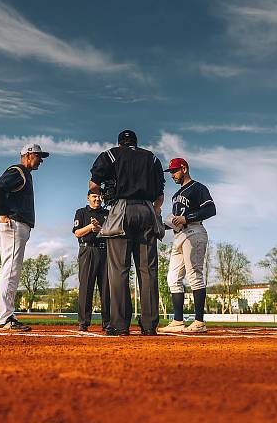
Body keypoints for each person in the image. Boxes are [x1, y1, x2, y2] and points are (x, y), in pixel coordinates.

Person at [89, 130, 165, 336]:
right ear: (135, 143)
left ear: (120, 143)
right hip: (147, 209)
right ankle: (149, 326)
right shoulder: (152, 157)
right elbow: (160, 195)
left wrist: (103, 196)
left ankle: (120, 325)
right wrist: (154, 211)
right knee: (148, 270)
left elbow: (93, 185)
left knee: (119, 269)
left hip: (121, 209)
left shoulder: (111, 154)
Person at [0, 143, 49, 331]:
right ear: (28, 154)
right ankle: (5, 318)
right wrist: (3, 214)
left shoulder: (25, 174)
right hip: (13, 224)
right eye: (39, 156)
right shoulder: (18, 171)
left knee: (11, 271)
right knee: (10, 271)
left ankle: (7, 316)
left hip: (17, 225)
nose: (41, 160)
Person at [158, 157, 216, 334]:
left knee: (194, 275)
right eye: (171, 172)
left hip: (195, 231)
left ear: (184, 168)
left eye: (175, 171)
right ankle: (177, 321)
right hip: (179, 235)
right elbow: (177, 221)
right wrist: (159, 224)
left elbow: (211, 209)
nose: (173, 175)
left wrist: (187, 218)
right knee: (173, 278)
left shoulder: (198, 187)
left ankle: (199, 321)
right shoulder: (176, 195)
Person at [72, 191, 110, 332]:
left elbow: (113, 232)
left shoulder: (108, 213)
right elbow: (77, 233)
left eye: (100, 196)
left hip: (105, 251)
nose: (97, 199)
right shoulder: (81, 212)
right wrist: (90, 227)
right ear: (88, 197)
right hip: (87, 251)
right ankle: (83, 322)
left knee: (106, 288)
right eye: (94, 196)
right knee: (86, 287)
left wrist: (100, 229)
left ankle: (107, 323)